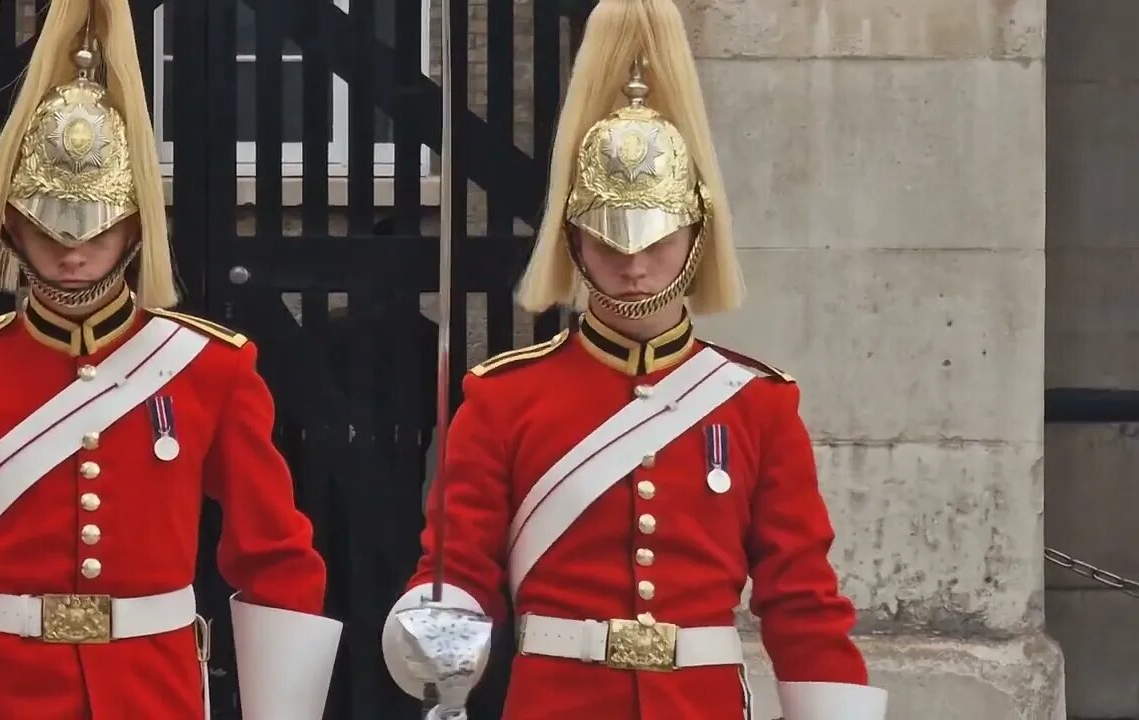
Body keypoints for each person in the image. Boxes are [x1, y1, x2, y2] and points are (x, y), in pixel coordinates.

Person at [380, 0, 889, 718]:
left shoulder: (755, 404)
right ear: (576, 243)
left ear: (694, 236)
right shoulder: (503, 398)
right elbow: (459, 566)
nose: (634, 264)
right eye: (610, 240)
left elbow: (802, 602)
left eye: (655, 240)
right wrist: (433, 624)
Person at [0, 1, 341, 718]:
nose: (72, 249)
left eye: (95, 225)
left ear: (135, 226)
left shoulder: (208, 368)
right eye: (48, 225)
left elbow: (274, 556)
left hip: (155, 689)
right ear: (13, 229)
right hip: (6, 691)